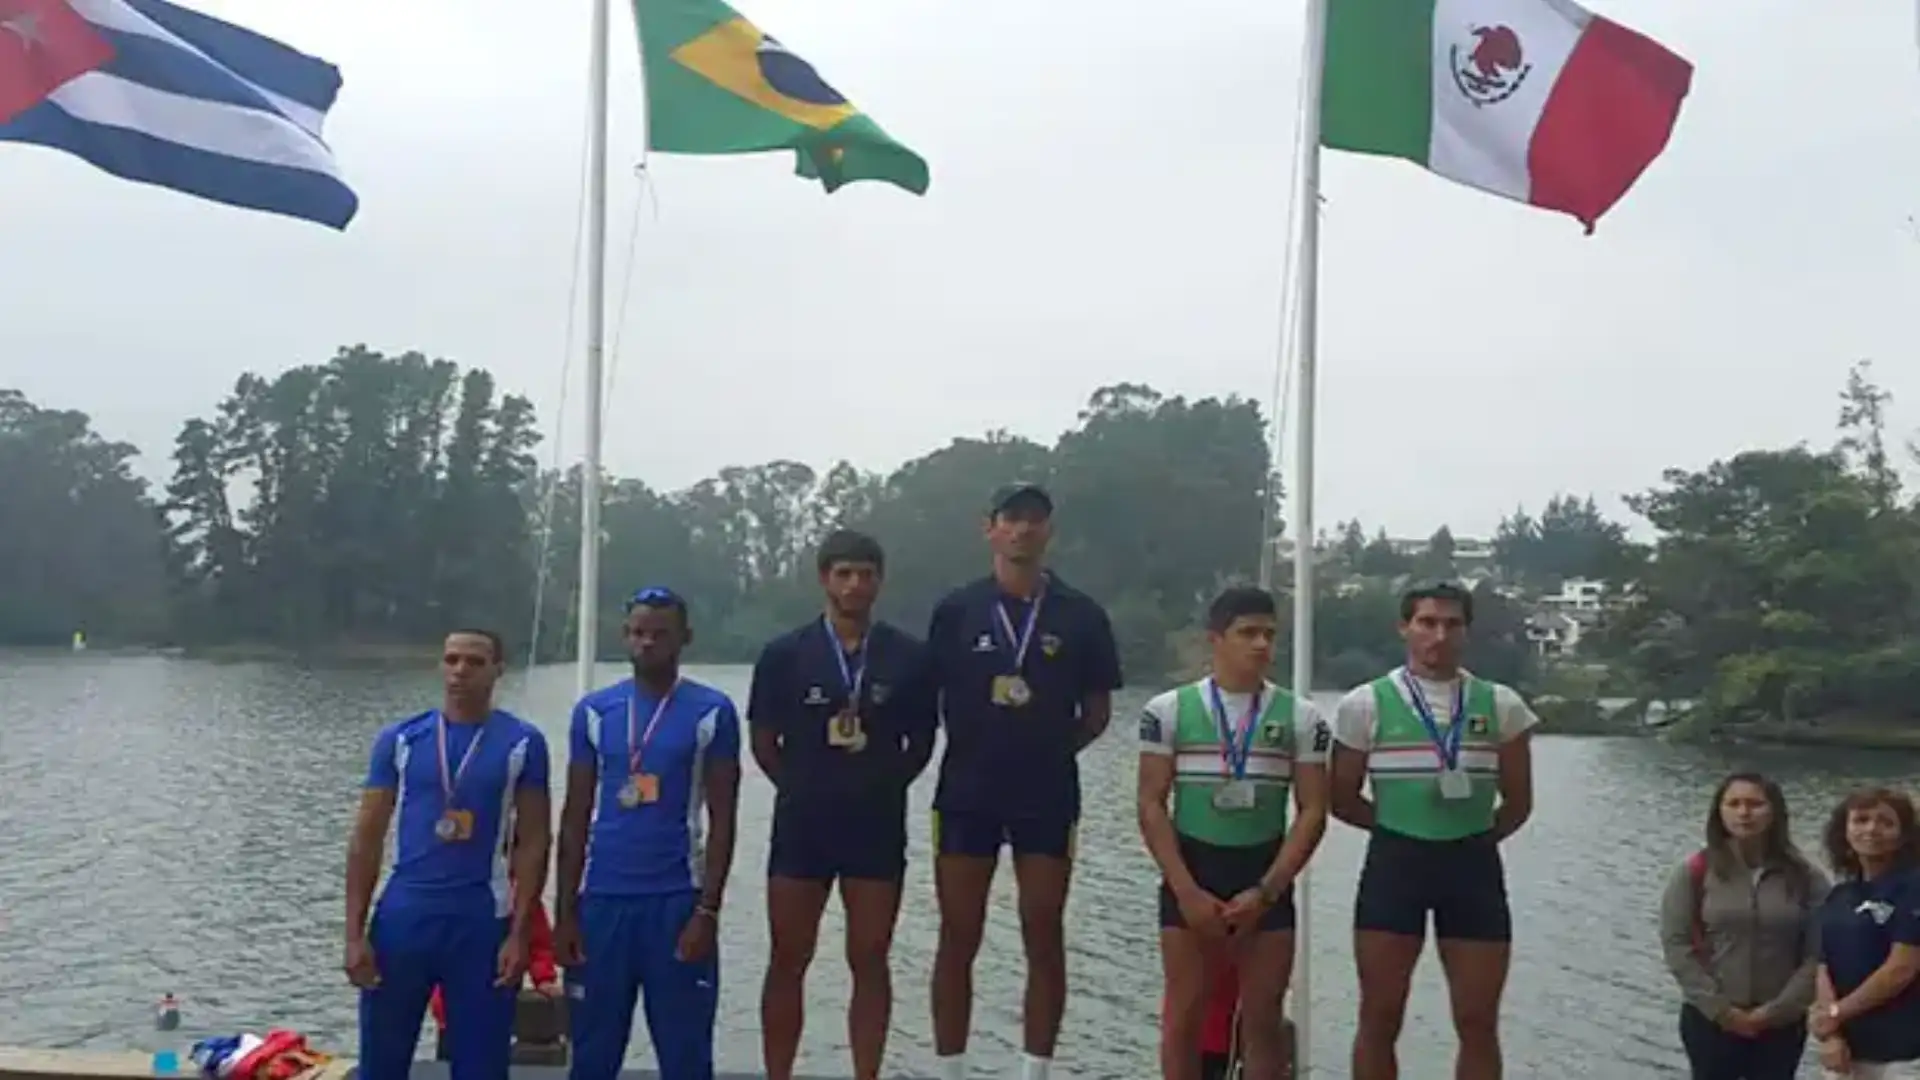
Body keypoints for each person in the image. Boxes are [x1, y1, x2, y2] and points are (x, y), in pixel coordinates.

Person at [925, 482, 1124, 1080]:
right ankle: (950, 1069)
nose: (1023, 529)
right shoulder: (957, 610)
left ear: (1048, 532)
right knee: (959, 933)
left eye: (1034, 519)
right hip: (966, 791)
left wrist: (1044, 752)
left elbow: (1097, 713)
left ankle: (1033, 1070)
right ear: (989, 528)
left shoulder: (1081, 614)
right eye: (1012, 518)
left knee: (1043, 929)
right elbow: (929, 696)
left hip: (1046, 794)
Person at [1327, 582, 1538, 1080]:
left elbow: (1519, 802)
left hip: (1472, 869)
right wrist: (1400, 832)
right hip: (1395, 867)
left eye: (1452, 624)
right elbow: (1340, 798)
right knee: (1380, 1016)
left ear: (1466, 631)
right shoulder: (1365, 704)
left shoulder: (1501, 704)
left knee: (1477, 1020)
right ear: (1405, 628)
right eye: (1427, 622)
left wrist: (1470, 839)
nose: (1439, 635)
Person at [749, 529, 938, 1080]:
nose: (855, 584)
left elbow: (922, 743)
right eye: (844, 573)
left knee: (871, 957)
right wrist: (804, 787)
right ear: (824, 579)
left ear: (879, 581)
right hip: (802, 825)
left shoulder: (909, 656)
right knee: (788, 957)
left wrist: (881, 785)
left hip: (876, 827)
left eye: (866, 574)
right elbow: (764, 742)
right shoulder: (784, 654)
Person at [1138, 586, 1330, 1080]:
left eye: (1269, 634)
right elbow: (1151, 804)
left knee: (1263, 1020)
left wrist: (1267, 892)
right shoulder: (1168, 710)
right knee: (1185, 1015)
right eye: (1248, 633)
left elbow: (1312, 810)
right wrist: (1185, 890)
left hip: (1263, 876)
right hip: (1194, 873)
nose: (1261, 645)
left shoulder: (1303, 718)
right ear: (1215, 640)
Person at [343, 628, 552, 1080]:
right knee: (381, 1061)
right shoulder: (401, 739)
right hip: (404, 917)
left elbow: (535, 841)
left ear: (498, 670)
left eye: (475, 662)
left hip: (479, 922)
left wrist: (520, 935)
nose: (460, 671)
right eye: (452, 659)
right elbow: (367, 836)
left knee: (481, 1065)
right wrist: (354, 934)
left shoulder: (522, 743)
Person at [552, 587, 742, 1080]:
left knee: (685, 1056)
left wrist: (708, 911)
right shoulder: (594, 712)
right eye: (638, 633)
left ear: (685, 639)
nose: (647, 643)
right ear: (624, 637)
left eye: (660, 634)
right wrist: (565, 913)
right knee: (593, 1054)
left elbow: (724, 819)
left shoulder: (711, 711)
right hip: (603, 905)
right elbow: (574, 817)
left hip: (676, 902)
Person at [1658, 772, 1827, 1080]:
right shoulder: (1694, 872)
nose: (1744, 812)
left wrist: (1776, 1012)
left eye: (1755, 804)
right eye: (1733, 803)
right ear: (1719, 812)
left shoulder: (1807, 878)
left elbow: (1820, 953)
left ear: (1774, 811)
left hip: (1781, 1024)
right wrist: (1721, 1010)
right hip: (1710, 1019)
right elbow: (1677, 946)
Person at [1807, 787, 1920, 1080]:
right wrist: (1831, 1035)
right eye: (1861, 820)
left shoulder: (1913, 888)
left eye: (1885, 822)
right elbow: (1823, 966)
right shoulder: (1838, 896)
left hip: (1902, 1056)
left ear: (1904, 834)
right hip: (1845, 1055)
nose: (1872, 829)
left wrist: (1834, 1014)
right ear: (1844, 830)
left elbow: (1901, 969)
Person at [432, 855, 563, 1061]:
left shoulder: (517, 893)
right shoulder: (440, 890)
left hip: (499, 1000)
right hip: (449, 1014)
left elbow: (538, 942)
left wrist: (544, 977)